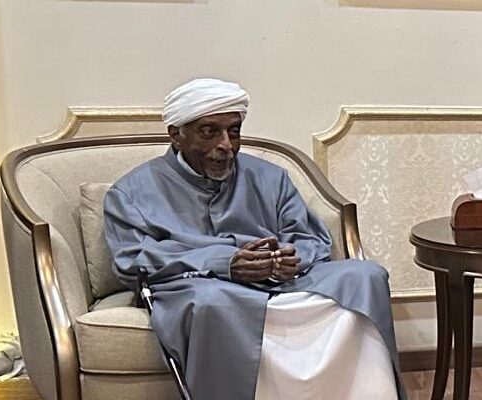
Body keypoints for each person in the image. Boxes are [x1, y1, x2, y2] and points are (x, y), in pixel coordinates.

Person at [103, 78, 405, 400]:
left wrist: (289, 258)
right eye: (209, 132)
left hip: (284, 284)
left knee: (365, 275)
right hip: (203, 287)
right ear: (176, 135)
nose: (226, 145)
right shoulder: (130, 192)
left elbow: (309, 237)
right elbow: (132, 260)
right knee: (213, 302)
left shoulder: (270, 177)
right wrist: (225, 263)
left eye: (233, 131)